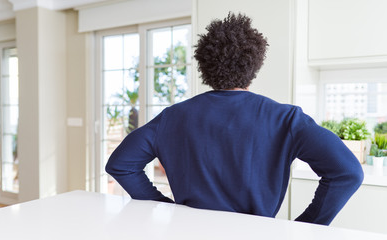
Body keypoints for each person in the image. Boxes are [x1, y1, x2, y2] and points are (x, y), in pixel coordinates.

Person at [106, 12, 363, 225]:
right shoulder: (286, 119)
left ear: (205, 67)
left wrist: (166, 207)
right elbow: (348, 172)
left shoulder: (172, 117)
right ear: (254, 66)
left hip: (187, 232)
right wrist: (306, 228)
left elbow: (121, 164)